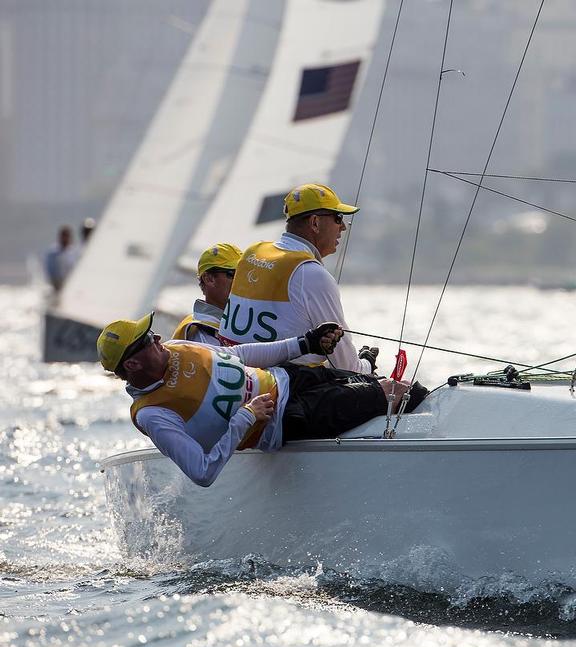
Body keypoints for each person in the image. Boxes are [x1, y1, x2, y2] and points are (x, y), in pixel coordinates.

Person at [97, 312, 426, 487]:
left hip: (290, 377)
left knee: (390, 385)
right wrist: (246, 418)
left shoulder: (177, 348)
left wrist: (305, 343)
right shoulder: (154, 414)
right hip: (287, 419)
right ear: (133, 364)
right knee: (397, 393)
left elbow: (239, 354)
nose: (157, 337)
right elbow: (201, 471)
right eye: (146, 340)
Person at [219, 183, 379, 373]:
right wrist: (367, 362)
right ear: (315, 223)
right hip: (280, 387)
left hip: (230, 370)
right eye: (338, 218)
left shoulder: (252, 253)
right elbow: (347, 367)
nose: (343, 227)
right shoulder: (312, 274)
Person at [172, 243, 243, 344]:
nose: (241, 281)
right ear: (209, 279)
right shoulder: (198, 332)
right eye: (233, 274)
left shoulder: (237, 323)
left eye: (243, 275)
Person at [44, 225, 77, 290]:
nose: (65, 238)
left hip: (71, 283)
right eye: (63, 236)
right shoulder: (52, 252)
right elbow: (49, 269)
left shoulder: (74, 252)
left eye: (67, 236)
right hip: (56, 284)